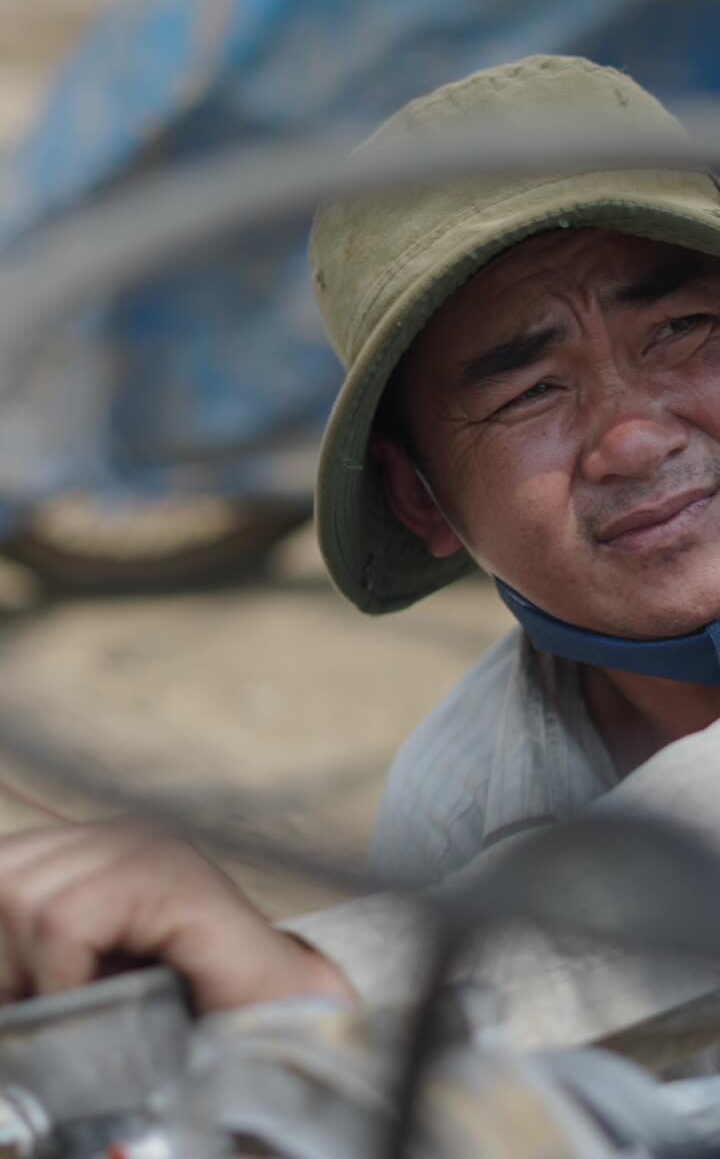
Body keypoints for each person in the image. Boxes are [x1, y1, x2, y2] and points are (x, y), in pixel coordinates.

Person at [2, 55, 720, 1064]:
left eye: (684, 330)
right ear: (421, 498)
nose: (635, 439)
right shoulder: (462, 792)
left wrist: (320, 980)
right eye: (529, 392)